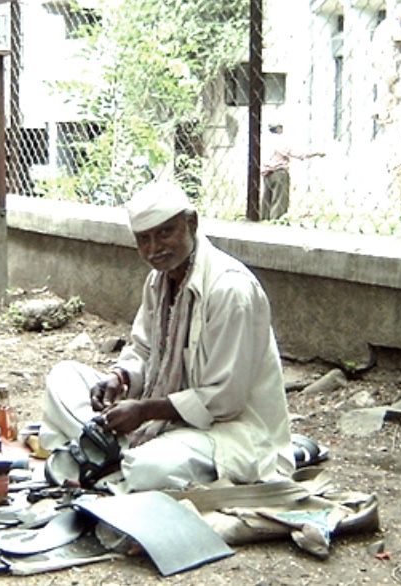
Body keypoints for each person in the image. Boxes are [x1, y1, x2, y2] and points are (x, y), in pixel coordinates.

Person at [39, 181, 294, 492]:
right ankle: (108, 451)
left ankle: (109, 455)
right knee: (63, 378)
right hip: (160, 415)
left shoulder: (229, 290)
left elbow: (225, 400)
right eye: (143, 240)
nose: (154, 249)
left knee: (149, 467)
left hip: (227, 431)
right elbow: (144, 351)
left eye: (164, 233)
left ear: (192, 224)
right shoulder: (157, 281)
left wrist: (145, 411)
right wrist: (119, 378)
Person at [259, 123, 321, 221]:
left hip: (266, 173)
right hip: (279, 172)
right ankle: (276, 221)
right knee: (279, 200)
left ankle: (264, 220)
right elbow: (297, 153)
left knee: (267, 199)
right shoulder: (280, 140)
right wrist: (316, 153)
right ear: (279, 129)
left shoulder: (264, 140)